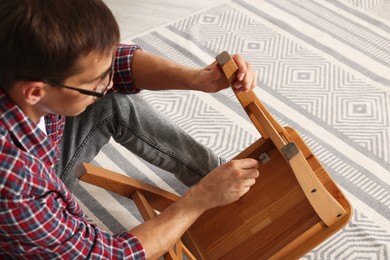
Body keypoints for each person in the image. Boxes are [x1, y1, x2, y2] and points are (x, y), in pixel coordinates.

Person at [0, 0, 259, 259]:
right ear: (34, 91)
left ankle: (219, 176)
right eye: (95, 83)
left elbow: (116, 61)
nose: (109, 82)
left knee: (111, 101)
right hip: (24, 215)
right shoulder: (16, 184)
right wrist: (198, 200)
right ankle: (215, 186)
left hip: (38, 162)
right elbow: (109, 255)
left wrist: (198, 79)